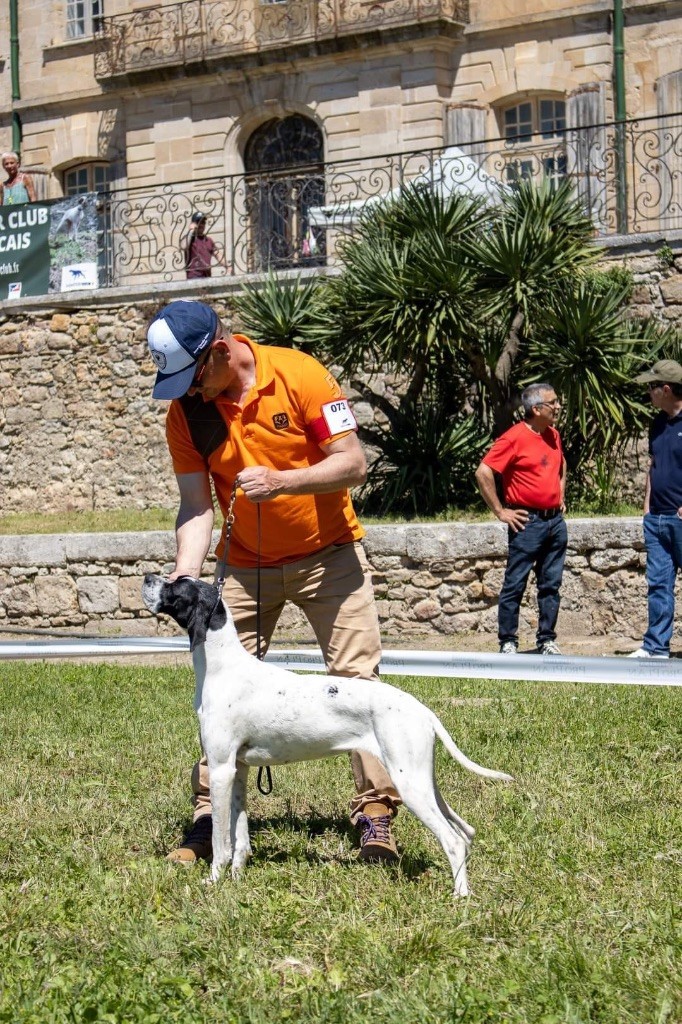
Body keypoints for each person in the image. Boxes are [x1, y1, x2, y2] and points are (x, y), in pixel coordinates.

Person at [147, 299, 401, 864]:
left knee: (360, 683)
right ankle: (209, 819)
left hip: (329, 556)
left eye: (192, 379)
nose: (189, 392)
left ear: (218, 352)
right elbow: (195, 505)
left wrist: (284, 483)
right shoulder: (187, 414)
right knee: (219, 687)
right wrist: (187, 575)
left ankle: (376, 815)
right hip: (242, 564)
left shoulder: (300, 374)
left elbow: (353, 463)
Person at [475, 382, 567, 656]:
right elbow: (483, 472)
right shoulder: (514, 437)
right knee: (516, 582)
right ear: (536, 409)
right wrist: (501, 512)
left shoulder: (553, 435)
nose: (558, 407)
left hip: (555, 524)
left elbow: (562, 466)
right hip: (528, 522)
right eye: (554, 403)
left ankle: (547, 639)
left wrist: (560, 496)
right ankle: (508, 642)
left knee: (551, 584)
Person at [627, 359, 682, 659]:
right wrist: (647, 506)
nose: (648, 392)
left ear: (666, 388)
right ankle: (656, 647)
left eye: (651, 386)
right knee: (658, 584)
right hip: (657, 518)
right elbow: (654, 465)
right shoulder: (658, 423)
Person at [184, 212, 227, 279]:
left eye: (203, 222)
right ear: (194, 224)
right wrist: (191, 230)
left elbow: (218, 255)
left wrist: (228, 267)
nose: (201, 225)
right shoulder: (190, 239)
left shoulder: (208, 240)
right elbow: (184, 246)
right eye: (199, 222)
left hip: (207, 277)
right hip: (194, 277)